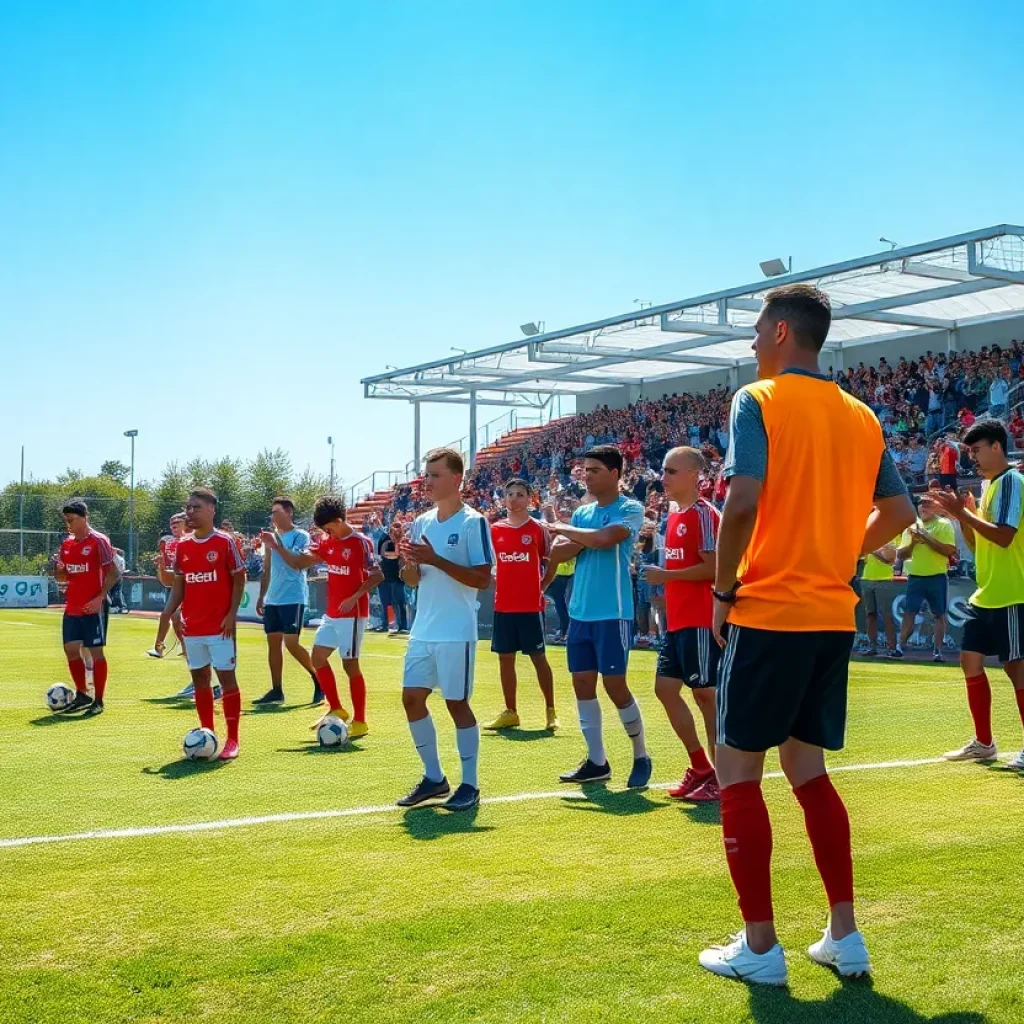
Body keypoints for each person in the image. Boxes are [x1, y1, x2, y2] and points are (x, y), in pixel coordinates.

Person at [700, 284, 914, 985]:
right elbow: (899, 510)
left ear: (783, 332)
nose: (754, 342)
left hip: (768, 611)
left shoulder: (756, 400)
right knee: (809, 773)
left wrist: (725, 590)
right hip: (830, 616)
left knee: (737, 773)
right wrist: (838, 552)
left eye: (759, 330)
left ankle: (760, 947)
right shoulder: (861, 415)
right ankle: (844, 936)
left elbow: (742, 498)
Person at [546, 445, 651, 788]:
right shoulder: (583, 514)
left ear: (615, 473)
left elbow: (607, 538)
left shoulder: (631, 508)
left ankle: (641, 754)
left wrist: (567, 531)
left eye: (593, 470)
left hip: (613, 613)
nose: (585, 475)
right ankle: (597, 761)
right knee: (582, 685)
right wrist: (579, 537)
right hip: (581, 613)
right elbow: (560, 551)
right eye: (584, 470)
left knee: (615, 685)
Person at [396, 448, 494, 812]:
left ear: (457, 480)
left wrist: (435, 558)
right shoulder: (421, 522)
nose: (428, 480)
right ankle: (434, 778)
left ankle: (470, 784)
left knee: (456, 704)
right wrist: (408, 562)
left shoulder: (473, 523)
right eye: (427, 474)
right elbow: (414, 580)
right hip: (423, 629)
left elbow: (483, 579)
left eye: (435, 474)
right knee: (411, 699)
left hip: (456, 630)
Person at [928, 419, 1024, 770]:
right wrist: (963, 517)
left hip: (1013, 591)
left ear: (997, 447)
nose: (973, 458)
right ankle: (984, 743)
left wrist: (962, 513)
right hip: (987, 592)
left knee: (1017, 670)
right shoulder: (989, 487)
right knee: (969, 660)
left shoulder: (1012, 481)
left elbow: (1003, 536)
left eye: (977, 450)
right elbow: (976, 542)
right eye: (970, 451)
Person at [640, 447, 720, 803]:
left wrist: (667, 575)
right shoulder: (673, 516)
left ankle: (724, 778)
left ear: (694, 477)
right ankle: (701, 767)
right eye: (664, 470)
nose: (664, 477)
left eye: (671, 471)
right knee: (665, 690)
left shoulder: (704, 515)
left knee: (706, 696)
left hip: (702, 619)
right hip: (679, 620)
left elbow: (716, 568)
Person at [289, 495, 384, 739]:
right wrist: (278, 546)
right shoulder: (327, 541)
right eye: (324, 530)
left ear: (339, 520)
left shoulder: (360, 543)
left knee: (350, 664)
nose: (327, 533)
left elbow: (377, 576)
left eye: (329, 528)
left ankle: (361, 720)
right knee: (317, 658)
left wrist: (355, 597)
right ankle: (337, 708)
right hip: (332, 613)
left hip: (353, 613)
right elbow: (302, 561)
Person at [164, 488, 246, 760]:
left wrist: (232, 614)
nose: (190, 512)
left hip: (220, 626)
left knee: (227, 680)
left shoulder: (225, 542)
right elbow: (179, 585)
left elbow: (239, 579)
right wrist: (168, 614)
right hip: (193, 627)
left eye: (195, 507)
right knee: (200, 680)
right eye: (188, 507)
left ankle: (233, 739)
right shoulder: (183, 546)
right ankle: (207, 732)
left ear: (212, 509)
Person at [484, 478, 558, 733]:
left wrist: (541, 587)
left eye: (519, 494)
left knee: (539, 658)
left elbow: (551, 563)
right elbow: (488, 565)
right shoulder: (495, 530)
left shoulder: (538, 529)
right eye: (510, 494)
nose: (514, 499)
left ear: (530, 499)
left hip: (530, 607)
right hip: (503, 605)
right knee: (505, 659)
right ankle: (510, 712)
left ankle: (551, 710)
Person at [54, 499, 121, 717]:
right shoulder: (67, 544)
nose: (68, 524)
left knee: (96, 653)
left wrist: (100, 598)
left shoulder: (99, 541)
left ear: (84, 517)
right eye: (66, 520)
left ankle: (99, 699)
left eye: (72, 520)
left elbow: (113, 572)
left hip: (93, 608)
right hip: (72, 606)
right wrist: (59, 570)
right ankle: (82, 693)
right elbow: (63, 576)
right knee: (71, 649)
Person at [255, 497, 323, 706]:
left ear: (288, 512)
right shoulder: (271, 538)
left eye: (276, 512)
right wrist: (261, 595)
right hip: (273, 599)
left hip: (293, 598)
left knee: (291, 644)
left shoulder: (301, 536)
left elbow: (297, 564)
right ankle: (277, 690)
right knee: (273, 645)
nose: (272, 516)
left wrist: (275, 545)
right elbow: (268, 568)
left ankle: (319, 679)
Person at [895, 502, 957, 663]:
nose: (924, 507)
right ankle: (899, 647)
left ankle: (937, 651)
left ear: (936, 507)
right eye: (921, 504)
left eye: (928, 504)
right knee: (909, 613)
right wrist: (914, 542)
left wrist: (925, 536)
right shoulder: (911, 525)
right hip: (915, 577)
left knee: (939, 614)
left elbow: (948, 550)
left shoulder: (944, 524)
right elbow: (901, 554)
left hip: (937, 577)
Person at [148, 513, 187, 662]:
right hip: (178, 585)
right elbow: (166, 581)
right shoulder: (170, 544)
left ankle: (161, 646)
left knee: (173, 616)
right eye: (171, 523)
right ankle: (176, 647)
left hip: (193, 585)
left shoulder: (192, 541)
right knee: (172, 617)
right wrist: (161, 566)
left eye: (178, 522)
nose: (174, 525)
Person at [857, 536, 900, 657]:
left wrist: (872, 549)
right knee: (870, 614)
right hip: (867, 578)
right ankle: (872, 646)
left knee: (887, 615)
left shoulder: (892, 537)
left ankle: (892, 647)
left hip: (884, 579)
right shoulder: (869, 536)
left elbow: (889, 559)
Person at [377, 521, 409, 634]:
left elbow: (399, 555)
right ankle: (387, 624)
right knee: (386, 603)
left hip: (398, 577)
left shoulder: (403, 541)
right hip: (384, 576)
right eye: (395, 528)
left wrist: (398, 542)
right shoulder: (384, 539)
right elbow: (384, 554)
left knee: (400, 602)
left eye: (399, 528)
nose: (397, 530)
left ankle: (403, 626)